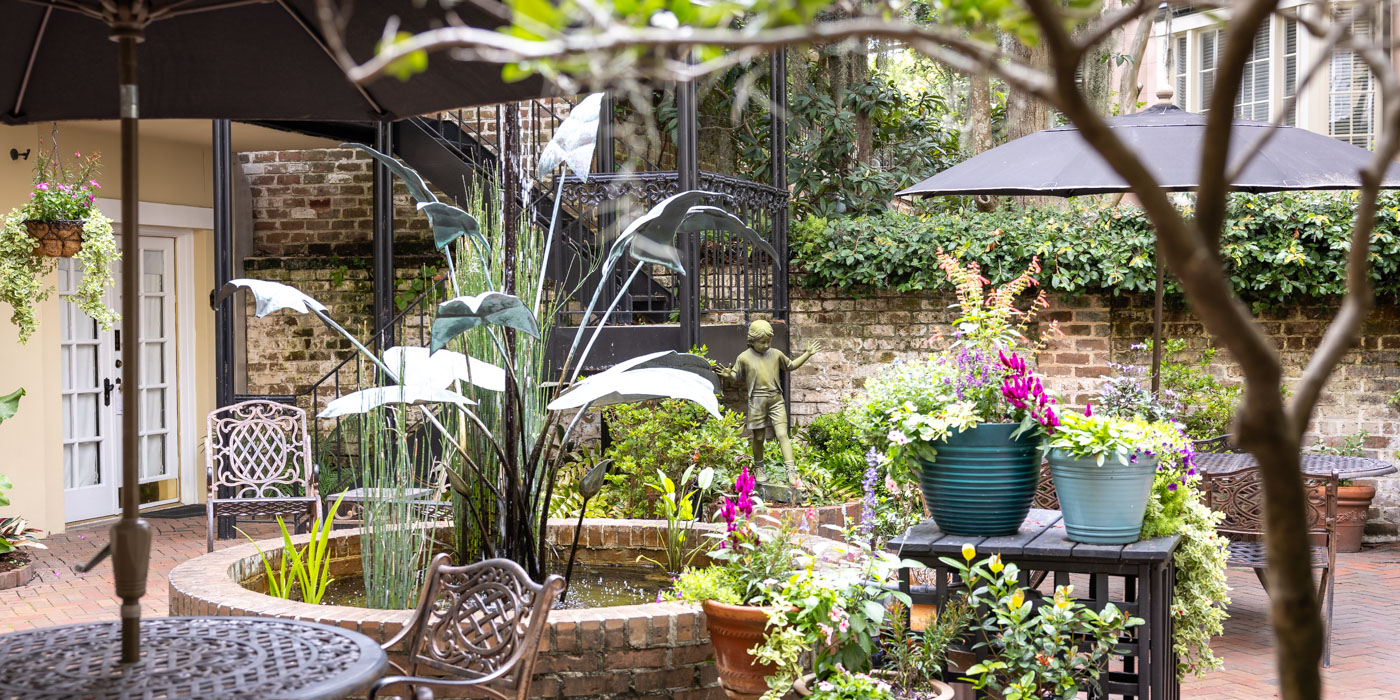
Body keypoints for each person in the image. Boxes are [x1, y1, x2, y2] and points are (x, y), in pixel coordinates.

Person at [713, 320, 820, 499]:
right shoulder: (744, 357)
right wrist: (728, 375)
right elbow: (736, 376)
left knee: (782, 434)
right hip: (756, 401)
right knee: (759, 436)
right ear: (751, 341)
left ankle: (791, 471)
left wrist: (807, 354)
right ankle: (759, 467)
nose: (766, 345)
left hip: (776, 399)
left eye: (768, 341)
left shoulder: (776, 354)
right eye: (762, 342)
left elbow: (791, 366)